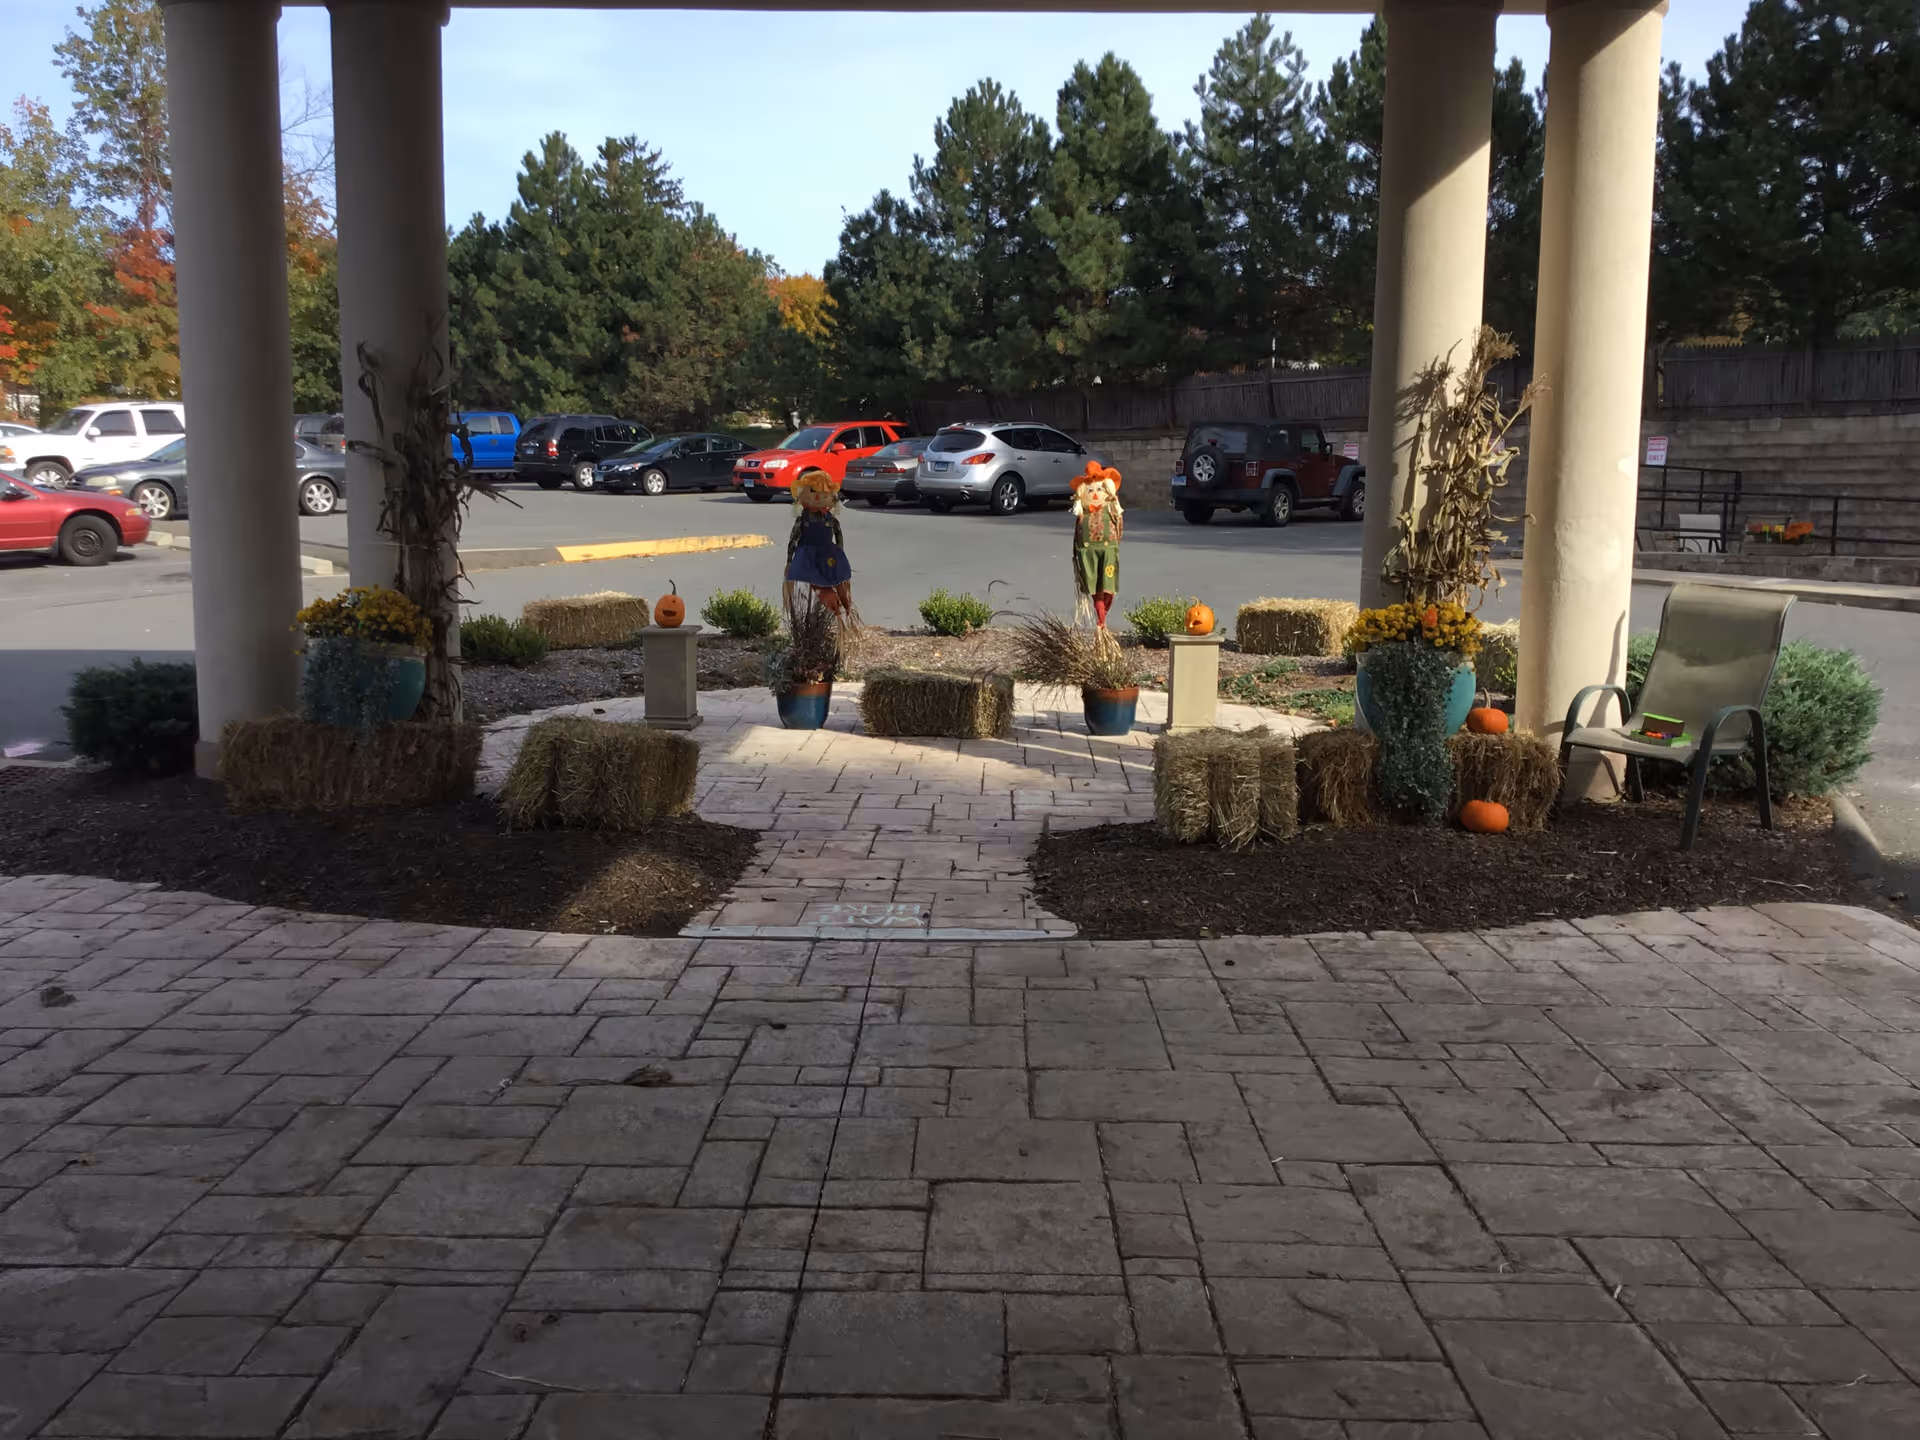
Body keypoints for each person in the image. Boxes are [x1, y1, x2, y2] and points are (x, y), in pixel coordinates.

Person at [783, 466, 857, 629]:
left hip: (827, 553)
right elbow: (793, 539)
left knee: (838, 581)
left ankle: (846, 608)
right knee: (818, 583)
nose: (818, 496)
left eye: (823, 492)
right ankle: (836, 611)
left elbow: (838, 537)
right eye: (813, 491)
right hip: (807, 553)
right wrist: (789, 561)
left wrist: (840, 553)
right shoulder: (803, 520)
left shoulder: (830, 519)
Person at [1070, 460, 1124, 626]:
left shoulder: (1111, 510)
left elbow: (1119, 529)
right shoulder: (1082, 516)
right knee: (1096, 590)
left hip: (1108, 552)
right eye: (1090, 490)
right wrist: (1077, 555)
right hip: (1088, 553)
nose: (1094, 494)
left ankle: (1102, 618)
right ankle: (1101, 621)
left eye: (1099, 489)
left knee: (1109, 588)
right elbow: (1076, 536)